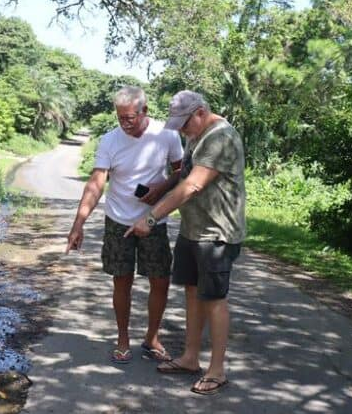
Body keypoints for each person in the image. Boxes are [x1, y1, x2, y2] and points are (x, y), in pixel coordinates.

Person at [124, 90, 245, 395]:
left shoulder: (220, 137)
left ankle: (217, 371)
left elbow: (193, 184)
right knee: (192, 292)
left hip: (216, 233)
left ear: (201, 112)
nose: (180, 129)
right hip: (193, 229)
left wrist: (151, 218)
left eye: (184, 122)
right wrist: (160, 189)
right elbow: (181, 176)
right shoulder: (196, 135)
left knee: (214, 299)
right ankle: (191, 358)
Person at [66, 86, 183, 364]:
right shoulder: (109, 141)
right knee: (122, 280)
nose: (124, 123)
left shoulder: (167, 134)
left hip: (154, 220)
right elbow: (96, 183)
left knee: (160, 280)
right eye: (120, 118)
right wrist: (78, 223)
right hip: (119, 219)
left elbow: (181, 170)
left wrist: (162, 186)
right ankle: (122, 338)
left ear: (145, 111)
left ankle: (152, 337)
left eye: (130, 117)